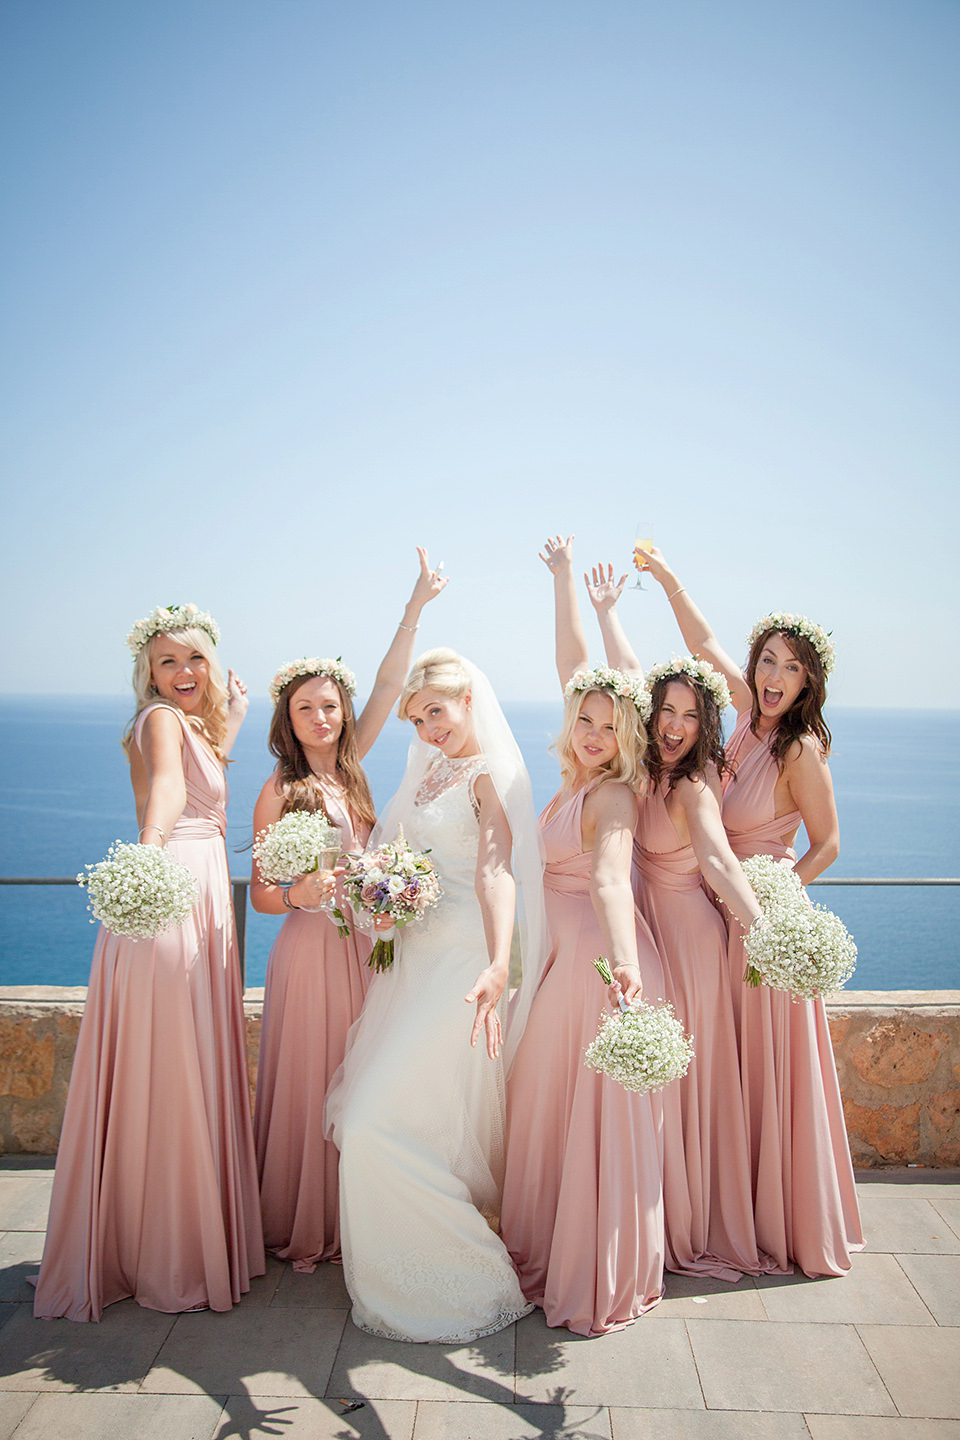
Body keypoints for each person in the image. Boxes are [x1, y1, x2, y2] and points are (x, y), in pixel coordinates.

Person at [634, 546, 863, 1277]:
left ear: (809, 681)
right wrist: (668, 579)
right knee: (731, 1069)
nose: (774, 677)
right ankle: (731, 1203)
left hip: (761, 920)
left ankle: (785, 1220)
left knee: (770, 1070)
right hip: (718, 911)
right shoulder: (738, 721)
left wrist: (778, 891)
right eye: (768, 661)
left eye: (792, 667)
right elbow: (700, 644)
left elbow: (828, 844)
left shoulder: (801, 752)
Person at [34, 604, 264, 1320]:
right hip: (173, 881)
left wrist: (234, 722)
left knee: (174, 1060)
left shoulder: (197, 725)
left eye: (193, 658)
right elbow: (167, 787)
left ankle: (162, 1239)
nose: (183, 672)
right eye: (167, 662)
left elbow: (202, 774)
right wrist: (153, 848)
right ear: (149, 674)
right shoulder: (162, 721)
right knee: (174, 1064)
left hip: (191, 887)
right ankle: (171, 1252)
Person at [325, 647, 547, 1342]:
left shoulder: (491, 775)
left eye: (436, 713)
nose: (427, 729)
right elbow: (396, 854)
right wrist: (380, 897)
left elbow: (494, 872)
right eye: (417, 719)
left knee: (368, 1123)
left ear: (469, 702)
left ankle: (468, 1275)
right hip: (409, 962)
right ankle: (405, 1270)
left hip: (460, 967)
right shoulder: (429, 772)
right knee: (413, 1124)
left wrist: (499, 962)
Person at [252, 549, 447, 1272]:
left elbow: (394, 678)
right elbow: (262, 896)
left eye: (330, 704)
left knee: (362, 1077)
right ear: (289, 717)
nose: (321, 717)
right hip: (309, 952)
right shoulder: (280, 787)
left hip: (364, 950)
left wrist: (416, 604)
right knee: (313, 1078)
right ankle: (307, 1220)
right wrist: (298, 894)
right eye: (305, 707)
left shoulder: (355, 768)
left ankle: (359, 1213)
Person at [582, 562, 778, 1279]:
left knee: (687, 1085)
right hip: (648, 931)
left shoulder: (694, 785)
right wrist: (606, 610)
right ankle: (658, 1216)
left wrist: (768, 929)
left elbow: (723, 865)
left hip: (690, 941)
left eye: (691, 716)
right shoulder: (646, 770)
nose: (673, 724)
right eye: (665, 711)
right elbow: (629, 669)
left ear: (707, 726)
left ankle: (689, 1223)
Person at [498, 538, 669, 1335]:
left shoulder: (612, 800)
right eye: (585, 719)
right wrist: (568, 585)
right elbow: (578, 665)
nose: (595, 730)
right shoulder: (578, 778)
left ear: (628, 732)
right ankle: (548, 1244)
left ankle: (585, 1264)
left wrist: (625, 975)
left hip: (592, 969)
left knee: (565, 1106)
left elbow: (609, 881)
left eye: (609, 722)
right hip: (561, 960)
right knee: (547, 1102)